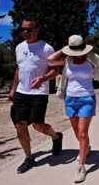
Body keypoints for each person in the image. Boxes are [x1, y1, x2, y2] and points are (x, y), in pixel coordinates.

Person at [48, 35, 99, 183]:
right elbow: (51, 60)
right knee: (78, 135)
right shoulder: (68, 60)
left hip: (87, 99)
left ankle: (81, 167)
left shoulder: (92, 59)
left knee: (82, 132)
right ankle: (86, 148)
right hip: (70, 100)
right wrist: (65, 48)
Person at [8, 19, 63, 174]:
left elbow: (55, 70)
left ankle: (56, 137)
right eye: (23, 29)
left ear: (37, 30)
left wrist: (43, 79)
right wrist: (13, 89)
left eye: (29, 29)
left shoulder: (46, 48)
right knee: (20, 124)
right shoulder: (19, 47)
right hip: (21, 92)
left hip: (38, 93)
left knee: (37, 125)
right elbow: (18, 70)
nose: (26, 32)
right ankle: (29, 158)